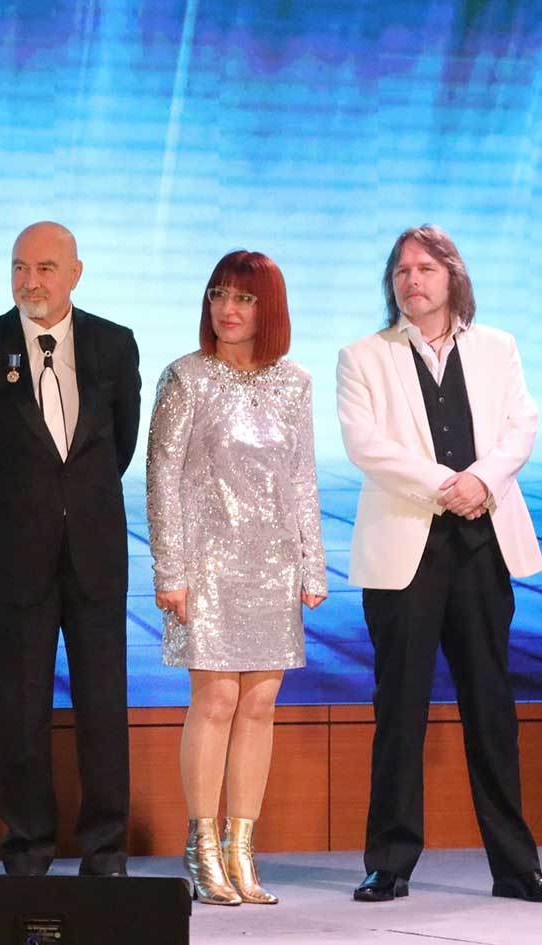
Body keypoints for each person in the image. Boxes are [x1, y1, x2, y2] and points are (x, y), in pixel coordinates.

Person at [338, 225, 542, 904]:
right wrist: (448, 484)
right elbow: (365, 443)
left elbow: (521, 427)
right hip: (404, 550)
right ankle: (389, 862)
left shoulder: (498, 347)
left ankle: (516, 866)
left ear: (452, 276)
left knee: (491, 709)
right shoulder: (363, 356)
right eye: (401, 271)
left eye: (425, 268)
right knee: (400, 709)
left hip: (480, 545)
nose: (411, 280)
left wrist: (482, 481)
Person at [0, 221, 140, 877]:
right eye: (20, 267)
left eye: (46, 268)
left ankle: (105, 851)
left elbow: (118, 445)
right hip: (10, 560)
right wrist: (7, 514)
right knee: (20, 712)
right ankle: (27, 851)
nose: (31, 281)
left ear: (75, 273)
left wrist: (69, 506)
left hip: (94, 555)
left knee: (104, 710)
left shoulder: (114, 344)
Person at [146, 251, 326, 905]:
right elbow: (161, 478)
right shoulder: (185, 377)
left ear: (267, 308)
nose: (228, 309)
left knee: (259, 703)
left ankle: (241, 848)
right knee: (217, 700)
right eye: (219, 294)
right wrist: (170, 569)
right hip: (206, 565)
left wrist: (312, 563)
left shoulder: (295, 382)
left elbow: (301, 476)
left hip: (273, 563)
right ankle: (201, 845)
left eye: (244, 298)